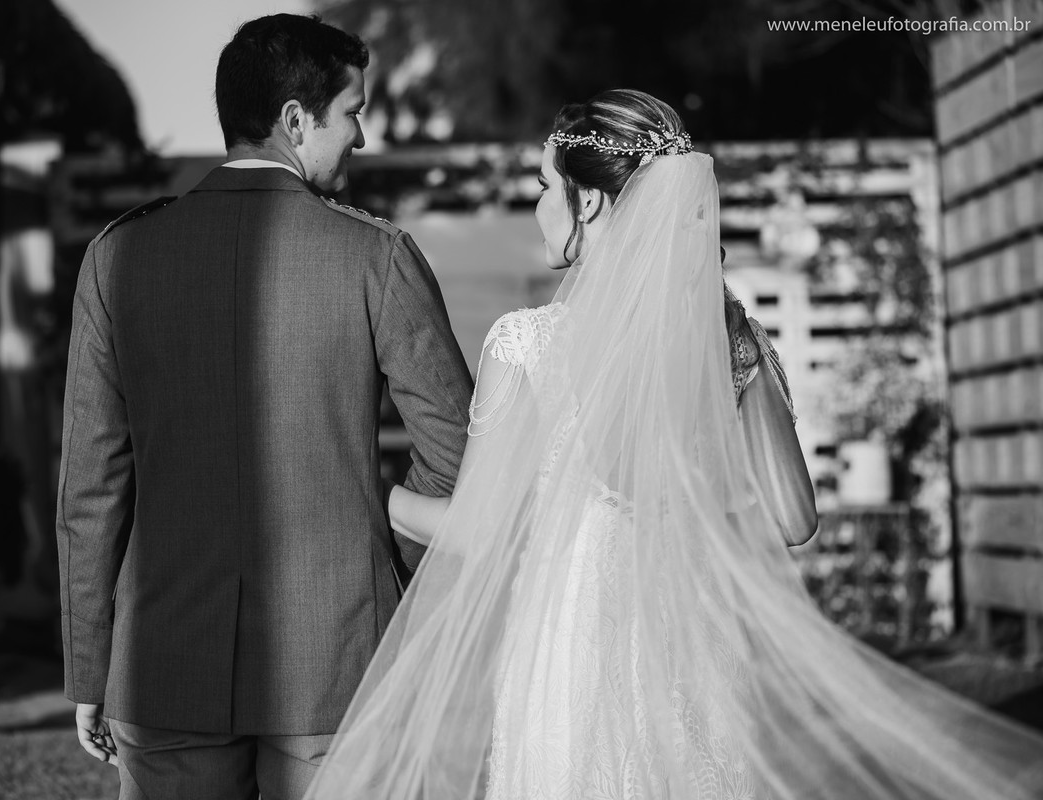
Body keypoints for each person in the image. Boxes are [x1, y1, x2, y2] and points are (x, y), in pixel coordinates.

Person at [302, 90, 1043, 800]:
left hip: (573, 659)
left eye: (544, 187)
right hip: (696, 650)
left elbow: (478, 531)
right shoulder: (728, 337)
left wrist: (371, 491)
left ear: (591, 202)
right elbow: (795, 520)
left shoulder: (527, 344)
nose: (538, 206)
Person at [55, 13, 472, 800]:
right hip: (337, 664)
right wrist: (375, 536)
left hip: (164, 664)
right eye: (352, 112)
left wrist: (89, 666)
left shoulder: (118, 255)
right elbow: (457, 457)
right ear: (295, 120)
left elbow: (91, 487)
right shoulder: (376, 255)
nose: (362, 136)